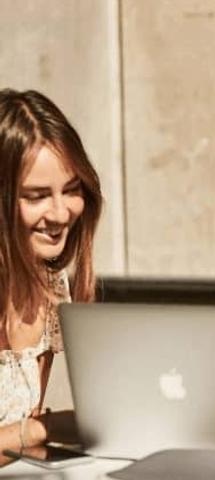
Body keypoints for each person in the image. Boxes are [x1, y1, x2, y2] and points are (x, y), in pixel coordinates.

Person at [0, 89, 103, 455]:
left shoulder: (50, 284)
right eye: (36, 195)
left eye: (72, 190)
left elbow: (21, 443)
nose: (61, 213)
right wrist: (52, 426)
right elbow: (33, 428)